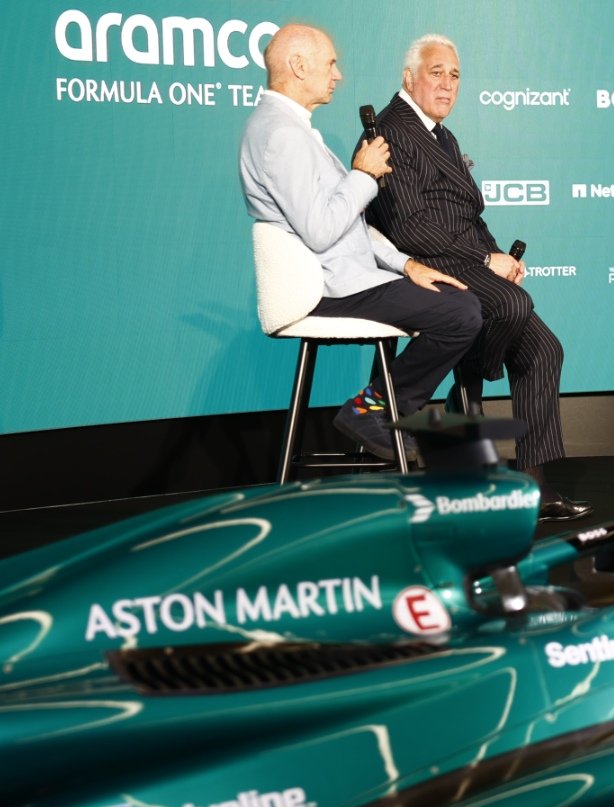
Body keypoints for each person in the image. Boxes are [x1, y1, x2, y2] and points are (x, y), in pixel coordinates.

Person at [365, 34, 590, 521]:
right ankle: (463, 386)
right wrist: (485, 260)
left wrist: (495, 253)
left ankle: (533, 484)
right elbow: (407, 226)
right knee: (511, 305)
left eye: (455, 75)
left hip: (466, 258)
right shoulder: (389, 131)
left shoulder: (442, 134)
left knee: (545, 350)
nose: (447, 85)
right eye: (436, 72)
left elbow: (469, 213)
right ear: (409, 78)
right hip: (427, 267)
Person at [239, 23, 480, 463]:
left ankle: (375, 411)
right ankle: (371, 411)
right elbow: (320, 230)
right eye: (330, 63)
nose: (337, 75)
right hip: (328, 288)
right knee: (461, 311)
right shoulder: (281, 135)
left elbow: (350, 225)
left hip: (351, 275)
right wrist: (364, 175)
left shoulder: (291, 128)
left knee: (456, 301)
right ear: (297, 65)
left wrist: (405, 264)